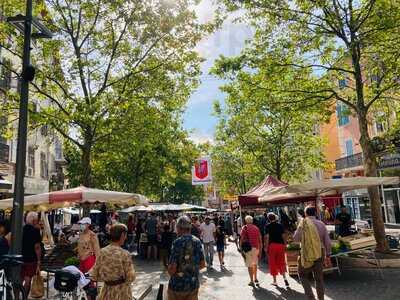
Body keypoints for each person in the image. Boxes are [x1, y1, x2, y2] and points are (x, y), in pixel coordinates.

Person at [293, 206, 331, 300]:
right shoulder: (321, 224)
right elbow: (327, 241)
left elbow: (296, 239)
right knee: (319, 278)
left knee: (302, 275)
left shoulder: (303, 224)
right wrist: (328, 255)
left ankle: (311, 297)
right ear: (315, 213)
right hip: (320, 252)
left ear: (305, 214)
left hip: (306, 253)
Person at [91, 224, 136, 300]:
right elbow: (131, 277)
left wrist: (107, 278)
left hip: (106, 293)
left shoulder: (102, 252)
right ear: (122, 235)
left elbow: (94, 275)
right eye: (125, 235)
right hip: (122, 293)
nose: (126, 237)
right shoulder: (125, 254)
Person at [168, 215, 205, 300]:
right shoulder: (197, 241)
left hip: (177, 287)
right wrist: (191, 270)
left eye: (176, 227)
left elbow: (172, 269)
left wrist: (170, 270)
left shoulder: (177, 242)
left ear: (180, 228)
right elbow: (203, 265)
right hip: (193, 286)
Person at [264, 213, 289, 287]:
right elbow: (284, 235)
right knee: (281, 262)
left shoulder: (267, 226)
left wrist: (266, 246)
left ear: (268, 219)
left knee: (273, 263)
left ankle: (275, 281)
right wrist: (285, 244)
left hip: (272, 246)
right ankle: (284, 278)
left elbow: (267, 237)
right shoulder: (280, 225)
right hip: (280, 245)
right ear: (275, 217)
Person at [21, 212, 42, 295]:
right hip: (31, 259)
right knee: (28, 279)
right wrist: (39, 260)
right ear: (33, 221)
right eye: (36, 221)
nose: (37, 222)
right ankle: (25, 296)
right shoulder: (35, 231)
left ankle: (16, 296)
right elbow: (37, 247)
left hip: (20, 258)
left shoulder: (20, 230)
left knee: (19, 278)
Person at [240, 215, 262, 287]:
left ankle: (251, 280)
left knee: (249, 265)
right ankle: (255, 278)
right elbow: (260, 240)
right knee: (255, 264)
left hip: (248, 248)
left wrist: (240, 248)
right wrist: (260, 249)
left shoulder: (244, 228)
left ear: (246, 221)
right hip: (256, 248)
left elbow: (242, 239)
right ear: (252, 221)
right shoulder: (256, 228)